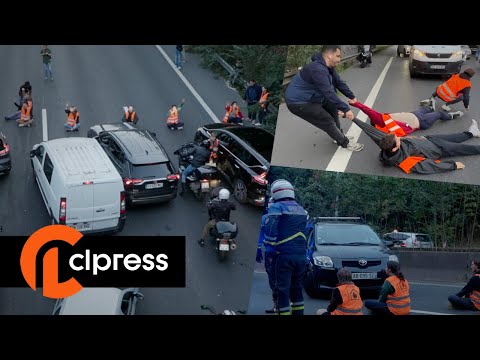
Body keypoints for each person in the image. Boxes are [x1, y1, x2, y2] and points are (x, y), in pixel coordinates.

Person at [284, 45, 364, 152]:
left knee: (332, 108)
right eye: (338, 56)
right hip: (297, 102)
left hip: (312, 96)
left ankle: (338, 135)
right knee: (326, 119)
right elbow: (328, 92)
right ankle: (345, 143)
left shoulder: (328, 66)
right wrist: (345, 109)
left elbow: (338, 82)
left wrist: (351, 96)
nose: (339, 60)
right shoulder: (317, 69)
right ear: (330, 55)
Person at [349, 115, 480, 174]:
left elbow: (371, 131)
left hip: (427, 140)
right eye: (398, 139)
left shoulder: (385, 143)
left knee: (454, 137)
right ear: (395, 147)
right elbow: (428, 167)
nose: (400, 137)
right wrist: (453, 165)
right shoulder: (404, 161)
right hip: (437, 149)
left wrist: (353, 118)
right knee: (463, 148)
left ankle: (471, 133)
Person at [263, 179, 308, 315]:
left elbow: (271, 228)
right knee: (297, 288)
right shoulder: (301, 209)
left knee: (282, 289)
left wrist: (269, 248)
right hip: (301, 256)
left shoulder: (277, 207)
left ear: (275, 193)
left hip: (283, 255)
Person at [348, 99, 464, 134]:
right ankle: (451, 116)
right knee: (439, 114)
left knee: (422, 110)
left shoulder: (386, 122)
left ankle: (430, 108)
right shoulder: (382, 121)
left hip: (414, 115)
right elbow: (369, 111)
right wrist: (356, 104)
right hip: (421, 121)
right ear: (376, 122)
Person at [256, 197, 278, 313]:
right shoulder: (286, 218)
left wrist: (259, 248)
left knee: (273, 280)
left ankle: (277, 305)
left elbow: (261, 236)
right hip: (281, 253)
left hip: (271, 253)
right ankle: (278, 304)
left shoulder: (265, 218)